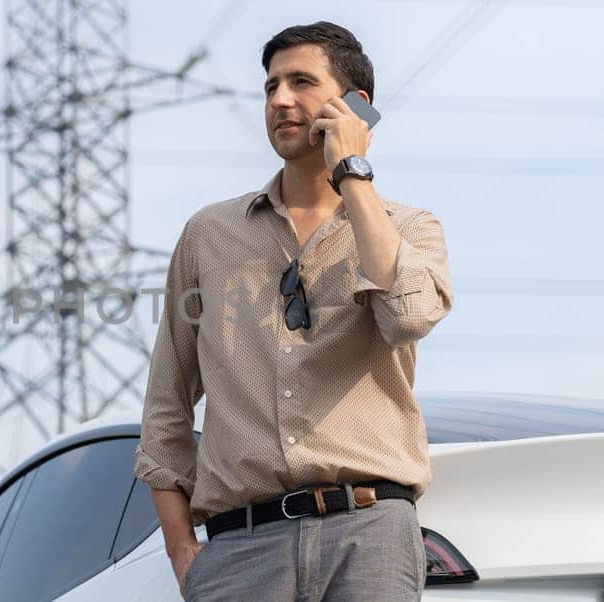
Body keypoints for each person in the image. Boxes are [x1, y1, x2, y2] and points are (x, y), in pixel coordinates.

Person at [133, 20, 455, 601]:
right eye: (270, 85)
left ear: (356, 107)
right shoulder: (209, 234)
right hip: (240, 552)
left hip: (369, 537)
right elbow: (166, 406)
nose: (279, 100)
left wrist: (352, 172)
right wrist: (184, 552)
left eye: (301, 82)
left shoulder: (409, 228)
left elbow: (407, 318)